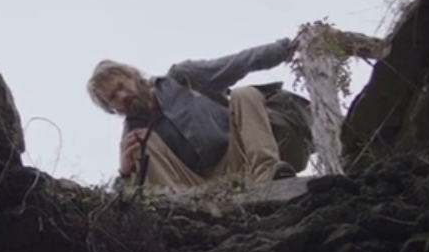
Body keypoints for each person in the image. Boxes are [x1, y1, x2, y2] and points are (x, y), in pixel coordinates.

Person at [87, 37, 299, 189]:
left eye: (121, 85)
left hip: (239, 157)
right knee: (141, 145)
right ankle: (179, 208)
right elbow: (126, 200)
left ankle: (267, 176)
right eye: (113, 97)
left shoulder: (181, 78)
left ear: (133, 76)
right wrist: (125, 171)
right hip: (194, 186)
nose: (122, 95)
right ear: (111, 108)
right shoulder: (132, 136)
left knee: (245, 94)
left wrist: (285, 49)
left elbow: (235, 64)